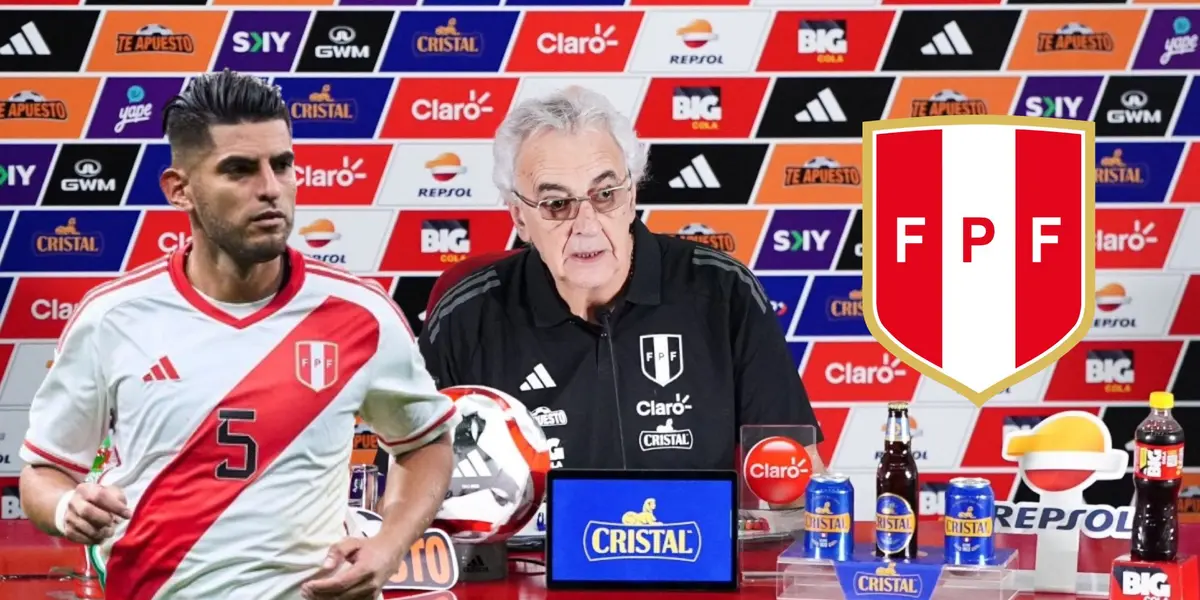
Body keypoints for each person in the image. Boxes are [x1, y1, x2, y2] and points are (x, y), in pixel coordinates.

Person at [18, 70, 457, 600]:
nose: (270, 189)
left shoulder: (362, 314)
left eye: (283, 165)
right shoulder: (112, 317)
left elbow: (427, 442)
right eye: (239, 170)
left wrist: (389, 545)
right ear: (180, 189)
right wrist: (68, 507)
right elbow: (43, 473)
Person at [374, 85, 823, 479]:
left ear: (632, 195)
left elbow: (792, 474)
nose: (586, 224)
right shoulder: (467, 314)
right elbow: (404, 478)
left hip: (691, 565)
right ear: (520, 217)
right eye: (556, 204)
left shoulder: (723, 292)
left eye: (605, 194)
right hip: (529, 569)